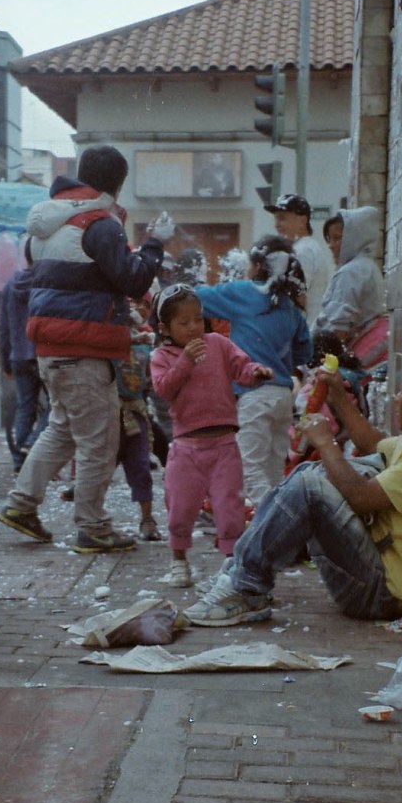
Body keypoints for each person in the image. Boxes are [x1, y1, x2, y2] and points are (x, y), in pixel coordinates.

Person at [184, 356, 402, 625]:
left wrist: (326, 444)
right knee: (314, 473)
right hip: (371, 570)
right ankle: (240, 573)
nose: (397, 398)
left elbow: (361, 498)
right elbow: (372, 443)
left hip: (379, 594)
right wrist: (337, 395)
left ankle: (245, 588)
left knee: (311, 485)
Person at [0, 145, 169, 554]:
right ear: (118, 183)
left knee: (63, 428)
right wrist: (154, 246)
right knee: (99, 440)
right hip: (84, 346)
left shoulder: (48, 221)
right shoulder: (101, 224)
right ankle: (92, 526)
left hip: (49, 346)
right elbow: (131, 279)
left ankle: (21, 505)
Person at [150, 285, 272, 588]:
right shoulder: (161, 356)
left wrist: (256, 372)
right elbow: (164, 389)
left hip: (224, 444)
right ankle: (179, 561)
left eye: (198, 319)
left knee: (229, 506)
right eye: (184, 322)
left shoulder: (217, 343)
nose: (194, 327)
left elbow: (240, 367)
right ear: (165, 328)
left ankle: (231, 564)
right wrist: (186, 360)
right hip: (186, 447)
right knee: (180, 506)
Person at [194, 236, 311, 507]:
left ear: (258, 264)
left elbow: (196, 298)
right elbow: (305, 352)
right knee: (272, 470)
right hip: (283, 397)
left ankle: (272, 518)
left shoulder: (245, 293)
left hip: (254, 395)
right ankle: (275, 531)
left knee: (248, 468)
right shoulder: (290, 307)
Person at [114, 295, 162, 541]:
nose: (139, 308)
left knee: (140, 466)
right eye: (134, 303)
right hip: (111, 411)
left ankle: (147, 518)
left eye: (145, 304)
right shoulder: (111, 332)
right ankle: (91, 515)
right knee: (100, 466)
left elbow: (149, 378)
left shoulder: (149, 342)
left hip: (135, 409)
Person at [0, 239, 47, 473]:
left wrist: (5, 360)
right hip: (43, 354)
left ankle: (19, 460)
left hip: (18, 355)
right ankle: (31, 442)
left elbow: (4, 326)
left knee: (25, 406)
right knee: (57, 407)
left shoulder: (10, 285)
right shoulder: (46, 282)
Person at [312, 206, 386, 355]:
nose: (331, 245)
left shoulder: (350, 272)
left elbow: (339, 331)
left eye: (337, 238)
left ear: (355, 237)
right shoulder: (366, 266)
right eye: (329, 239)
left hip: (356, 351)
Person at [265, 193, 332, 326]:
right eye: (276, 219)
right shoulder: (308, 247)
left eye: (282, 219)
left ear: (302, 221)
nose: (276, 225)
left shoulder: (303, 251)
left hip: (302, 333)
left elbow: (294, 298)